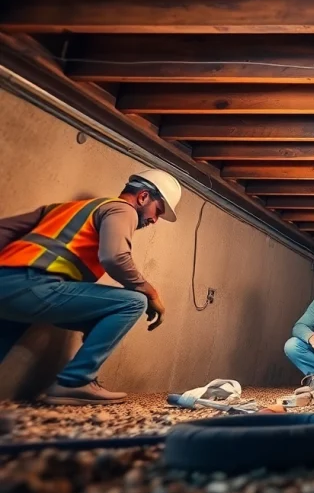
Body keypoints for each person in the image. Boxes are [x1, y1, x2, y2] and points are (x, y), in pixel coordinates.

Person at [0, 169, 181, 405]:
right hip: (34, 285)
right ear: (143, 197)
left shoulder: (60, 210)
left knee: (95, 316)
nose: (154, 220)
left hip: (8, 285)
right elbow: (115, 257)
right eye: (158, 211)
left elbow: (4, 229)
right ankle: (75, 381)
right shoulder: (123, 209)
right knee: (133, 302)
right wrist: (150, 291)